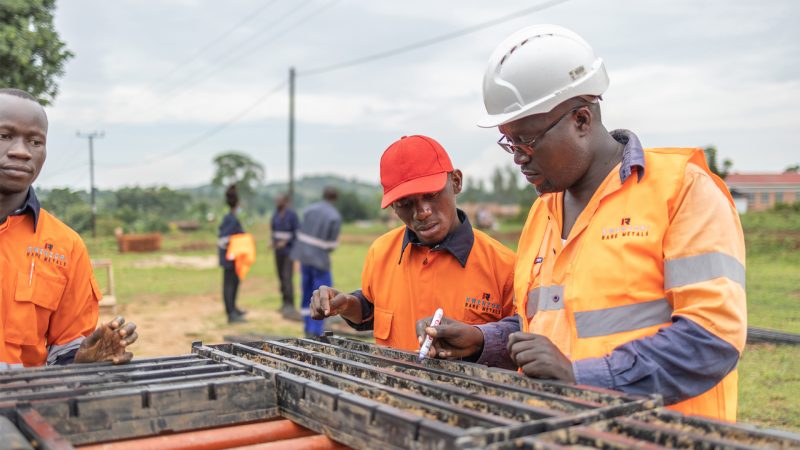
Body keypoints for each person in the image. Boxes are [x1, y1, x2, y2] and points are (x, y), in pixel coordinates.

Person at [417, 25, 746, 421]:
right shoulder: (543, 213)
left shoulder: (683, 191)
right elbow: (547, 327)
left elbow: (712, 338)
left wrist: (581, 377)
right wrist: (483, 341)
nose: (518, 156)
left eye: (527, 139)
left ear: (582, 120)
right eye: (509, 142)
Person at [310, 135, 516, 352]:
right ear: (393, 206)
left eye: (431, 194)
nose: (421, 212)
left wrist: (478, 340)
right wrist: (347, 304)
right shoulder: (381, 252)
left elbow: (519, 343)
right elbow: (373, 308)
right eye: (404, 203)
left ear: (456, 182)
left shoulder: (504, 267)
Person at [0, 87, 138, 368]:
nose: (21, 152)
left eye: (35, 141)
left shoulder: (65, 246)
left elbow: (64, 352)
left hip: (25, 397)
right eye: (4, 136)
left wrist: (82, 363)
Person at [290, 186, 342, 337]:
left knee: (306, 293)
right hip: (320, 261)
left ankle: (307, 326)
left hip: (304, 258)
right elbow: (331, 245)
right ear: (335, 199)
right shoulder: (334, 216)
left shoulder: (308, 210)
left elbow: (300, 235)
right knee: (322, 295)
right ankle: (316, 330)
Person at [218, 184, 247, 324]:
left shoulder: (231, 217)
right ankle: (231, 314)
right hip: (229, 258)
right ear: (237, 203)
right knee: (229, 285)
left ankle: (234, 309)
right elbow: (224, 239)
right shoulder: (230, 219)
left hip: (234, 258)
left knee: (234, 283)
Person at [270, 193, 301, 321]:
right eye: (276, 200)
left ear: (285, 201)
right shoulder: (275, 215)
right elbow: (273, 231)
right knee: (281, 277)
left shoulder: (292, 215)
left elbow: (297, 233)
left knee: (287, 277)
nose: (277, 202)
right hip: (278, 252)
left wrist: (286, 242)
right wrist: (273, 242)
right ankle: (284, 303)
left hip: (289, 252)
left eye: (280, 200)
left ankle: (290, 304)